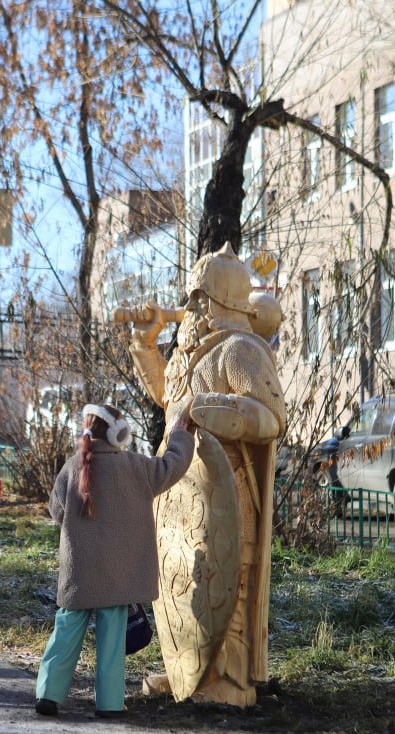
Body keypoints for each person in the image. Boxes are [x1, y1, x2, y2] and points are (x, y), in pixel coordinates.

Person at [122, 242, 286, 707]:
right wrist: (146, 342)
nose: (190, 307)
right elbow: (167, 398)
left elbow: (273, 417)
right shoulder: (191, 353)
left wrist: (225, 411)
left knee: (227, 587)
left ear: (218, 303)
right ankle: (187, 674)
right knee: (183, 584)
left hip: (227, 495)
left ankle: (229, 682)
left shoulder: (239, 351)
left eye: (199, 299)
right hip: (179, 495)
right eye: (190, 298)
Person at [34, 402, 195, 719]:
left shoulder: (71, 468)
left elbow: (56, 512)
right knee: (111, 640)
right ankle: (108, 703)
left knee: (65, 632)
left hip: (78, 572)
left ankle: (48, 694)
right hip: (119, 574)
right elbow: (173, 465)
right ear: (118, 433)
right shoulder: (136, 467)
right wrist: (180, 434)